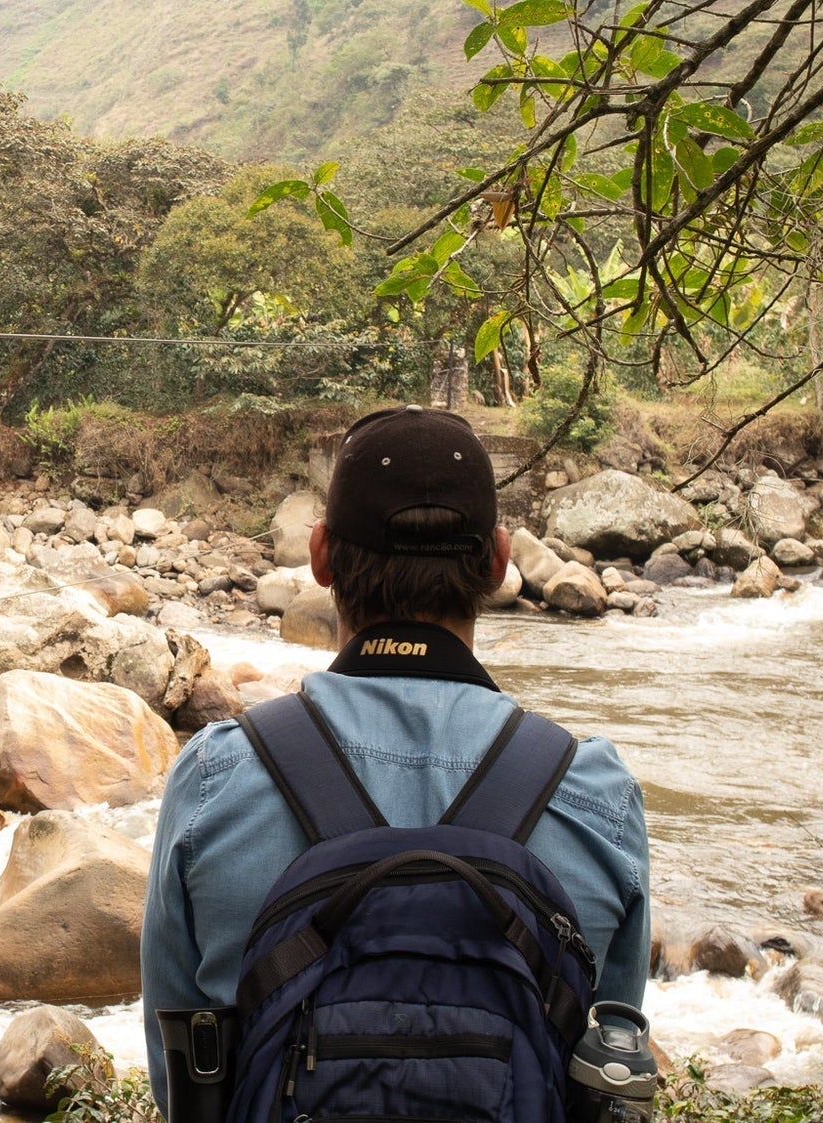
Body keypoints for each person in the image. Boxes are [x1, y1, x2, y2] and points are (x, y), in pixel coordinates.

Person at [140, 405, 651, 1110]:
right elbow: (609, 1076)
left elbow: (182, 1089)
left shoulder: (214, 780)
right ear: (499, 562)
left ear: (319, 555)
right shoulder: (597, 794)